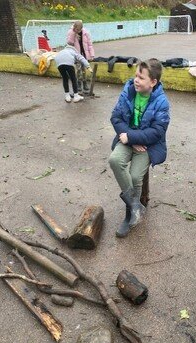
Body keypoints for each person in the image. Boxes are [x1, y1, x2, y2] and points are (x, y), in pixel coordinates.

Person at [108, 58, 170, 238]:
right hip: (127, 138)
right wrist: (129, 138)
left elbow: (158, 131)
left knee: (136, 176)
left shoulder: (161, 102)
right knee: (114, 160)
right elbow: (115, 118)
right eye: (136, 75)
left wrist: (133, 137)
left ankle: (129, 214)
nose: (136, 80)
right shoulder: (128, 92)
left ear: (153, 82)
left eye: (141, 78)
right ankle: (135, 207)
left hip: (148, 145)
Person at [67, 20, 95, 95]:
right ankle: (79, 84)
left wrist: (92, 54)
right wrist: (73, 34)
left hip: (84, 54)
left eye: (79, 30)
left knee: (84, 69)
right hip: (76, 54)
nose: (78, 31)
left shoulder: (86, 33)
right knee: (78, 69)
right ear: (74, 28)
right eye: (77, 30)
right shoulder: (71, 32)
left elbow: (90, 44)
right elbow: (69, 44)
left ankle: (85, 83)